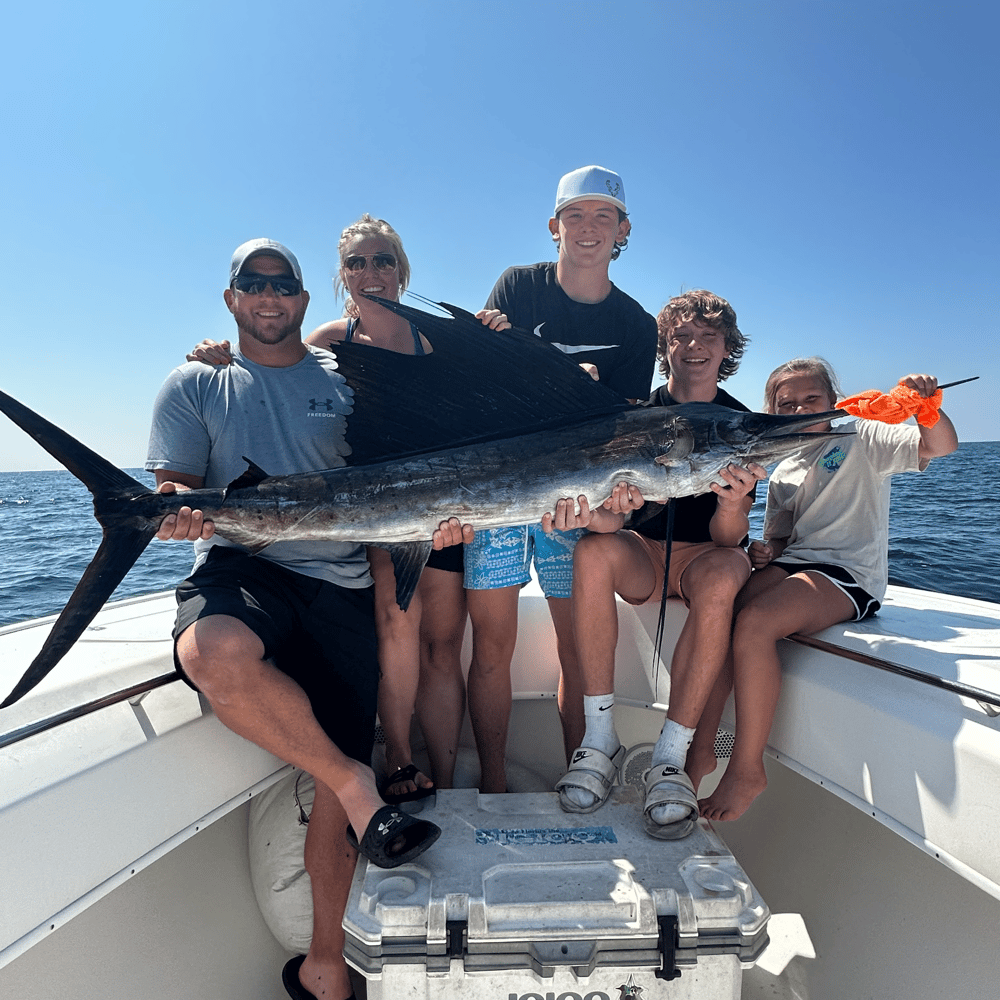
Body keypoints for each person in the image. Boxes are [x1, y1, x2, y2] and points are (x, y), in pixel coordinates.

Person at [149, 238, 466, 1000]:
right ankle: (361, 783)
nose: (268, 296)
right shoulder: (198, 379)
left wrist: (441, 520)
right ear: (231, 298)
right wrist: (172, 514)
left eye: (282, 284)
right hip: (246, 566)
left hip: (343, 582)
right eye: (251, 284)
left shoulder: (346, 377)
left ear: (303, 299)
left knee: (332, 782)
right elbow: (173, 487)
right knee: (213, 653)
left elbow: (415, 462)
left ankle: (327, 968)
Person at [186, 216, 503, 802]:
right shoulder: (330, 342)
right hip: (379, 512)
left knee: (444, 642)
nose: (370, 273)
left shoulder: (440, 341)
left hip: (455, 508)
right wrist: (215, 351)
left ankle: (453, 778)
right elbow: (272, 365)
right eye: (357, 263)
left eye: (382, 260)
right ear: (341, 276)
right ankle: (402, 760)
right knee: (395, 627)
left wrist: (494, 334)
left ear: (402, 270)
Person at [695, 358, 959, 822]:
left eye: (811, 398)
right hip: (797, 564)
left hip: (847, 574)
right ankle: (701, 748)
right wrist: (766, 550)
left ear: (835, 400)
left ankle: (746, 769)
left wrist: (926, 408)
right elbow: (781, 536)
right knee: (723, 612)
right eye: (786, 403)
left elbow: (940, 447)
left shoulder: (864, 435)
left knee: (756, 623)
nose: (799, 408)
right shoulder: (783, 467)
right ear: (773, 412)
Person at [465, 165, 658, 792]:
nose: (589, 228)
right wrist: (483, 343)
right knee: (492, 644)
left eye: (604, 216)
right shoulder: (516, 286)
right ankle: (493, 779)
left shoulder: (635, 325)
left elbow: (621, 429)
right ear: (555, 226)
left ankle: (583, 775)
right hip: (498, 490)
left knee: (576, 650)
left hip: (576, 499)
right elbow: (479, 385)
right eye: (576, 215)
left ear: (623, 230)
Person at [545, 289, 763, 840]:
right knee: (592, 551)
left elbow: (728, 537)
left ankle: (672, 756)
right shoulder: (634, 417)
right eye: (681, 337)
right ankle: (598, 739)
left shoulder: (742, 423)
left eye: (707, 338)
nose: (693, 346)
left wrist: (735, 503)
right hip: (644, 554)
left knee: (724, 571)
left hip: (704, 558)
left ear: (726, 349)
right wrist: (587, 517)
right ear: (666, 347)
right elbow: (611, 523)